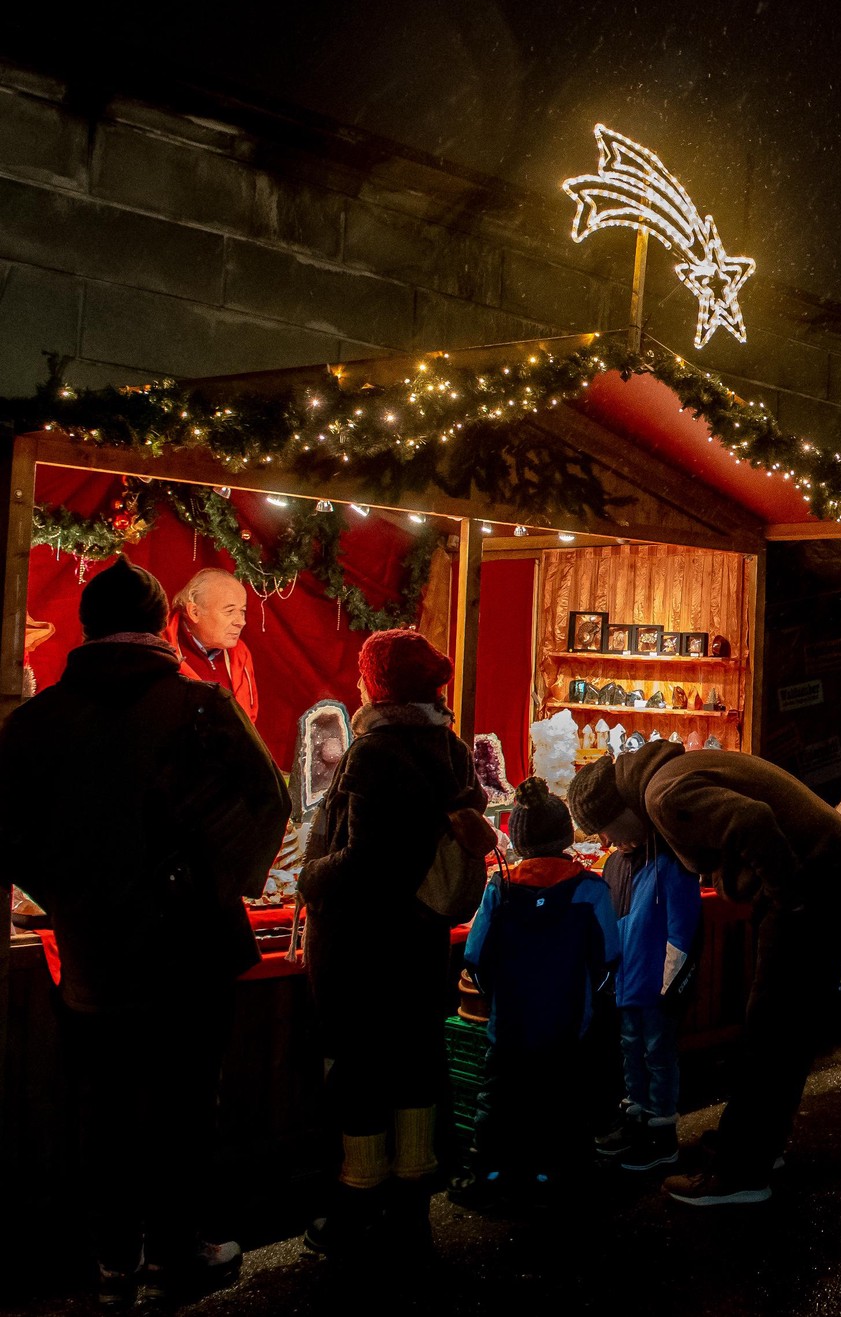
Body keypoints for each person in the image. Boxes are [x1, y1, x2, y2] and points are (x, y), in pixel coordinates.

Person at [0, 557, 288, 1307]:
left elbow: (9, 834)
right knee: (185, 1102)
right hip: (190, 949)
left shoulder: (36, 721)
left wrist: (70, 892)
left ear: (89, 625)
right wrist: (209, 879)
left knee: (101, 1103)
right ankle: (176, 1249)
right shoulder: (201, 707)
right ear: (162, 618)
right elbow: (267, 800)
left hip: (93, 951)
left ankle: (112, 1258)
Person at [567, 744, 841, 1206]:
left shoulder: (663, 796)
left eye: (607, 830)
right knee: (783, 1024)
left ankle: (741, 1170)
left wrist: (788, 900)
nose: (611, 843)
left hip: (815, 878)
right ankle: (758, 1145)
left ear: (620, 809)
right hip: (827, 867)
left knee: (772, 1025)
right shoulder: (668, 774)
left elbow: (752, 821)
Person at [300, 629, 489, 1258]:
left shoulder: (375, 750)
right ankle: (412, 1210)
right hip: (421, 941)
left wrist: (308, 876)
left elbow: (363, 860)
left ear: (376, 682)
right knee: (414, 1063)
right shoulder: (451, 749)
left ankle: (361, 1204)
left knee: (358, 1068)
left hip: (364, 943)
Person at [459, 778, 620, 1203]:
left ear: (520, 841)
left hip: (509, 1026)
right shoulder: (590, 890)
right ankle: (558, 1175)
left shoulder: (500, 889)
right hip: (568, 1026)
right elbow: (608, 960)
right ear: (566, 838)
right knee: (563, 1103)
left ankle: (490, 1175)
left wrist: (500, 997)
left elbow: (474, 959)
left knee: (499, 1100)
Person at [593, 800, 703, 1173]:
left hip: (656, 984)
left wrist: (672, 985)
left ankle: (662, 1134)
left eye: (611, 830)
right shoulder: (617, 865)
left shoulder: (670, 864)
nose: (608, 839)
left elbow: (682, 928)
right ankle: (637, 1118)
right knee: (631, 1052)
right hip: (626, 982)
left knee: (658, 1056)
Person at [167, 568, 258, 722]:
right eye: (229, 611)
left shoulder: (240, 653)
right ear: (194, 612)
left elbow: (249, 721)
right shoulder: (158, 653)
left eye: (242, 611)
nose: (241, 622)